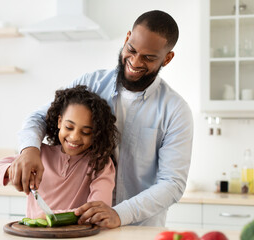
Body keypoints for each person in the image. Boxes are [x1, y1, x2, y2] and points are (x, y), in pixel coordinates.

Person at [14, 10, 193, 228]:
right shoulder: (90, 84)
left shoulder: (175, 111)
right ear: (127, 38)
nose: (135, 62)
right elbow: (39, 117)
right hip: (84, 228)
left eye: (148, 57)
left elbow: (172, 184)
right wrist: (29, 149)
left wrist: (119, 214)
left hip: (139, 230)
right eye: (132, 50)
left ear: (167, 58)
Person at [0, 85, 119, 219]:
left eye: (86, 132)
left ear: (96, 133)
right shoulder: (39, 154)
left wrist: (51, 217)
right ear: (59, 122)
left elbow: (98, 211)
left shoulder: (101, 164)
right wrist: (13, 170)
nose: (75, 137)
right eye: (69, 127)